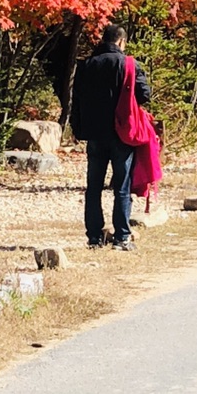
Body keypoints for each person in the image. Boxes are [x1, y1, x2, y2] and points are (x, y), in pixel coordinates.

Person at [70, 22, 153, 250]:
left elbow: (75, 100)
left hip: (95, 134)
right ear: (121, 41)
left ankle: (94, 237)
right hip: (122, 133)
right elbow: (144, 95)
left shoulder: (86, 65)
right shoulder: (128, 64)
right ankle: (121, 237)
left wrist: (77, 129)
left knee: (94, 186)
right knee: (122, 186)